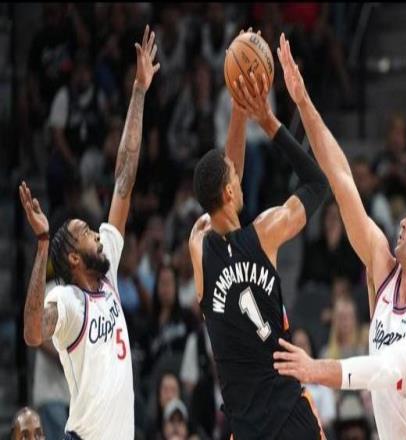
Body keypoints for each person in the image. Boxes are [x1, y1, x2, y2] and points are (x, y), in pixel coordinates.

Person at [273, 33, 406, 439]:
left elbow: (386, 369)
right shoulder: (382, 269)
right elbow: (342, 178)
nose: (403, 223)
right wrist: (303, 102)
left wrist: (315, 369)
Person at [19, 26, 159, 440]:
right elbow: (32, 333)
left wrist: (139, 91)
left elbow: (124, 178)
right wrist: (42, 244)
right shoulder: (68, 300)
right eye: (86, 232)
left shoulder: (109, 270)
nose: (98, 234)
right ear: (73, 257)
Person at [189, 55, 329, 438]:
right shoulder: (265, 233)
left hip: (246, 426)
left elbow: (226, 175)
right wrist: (267, 121)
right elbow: (317, 184)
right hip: (289, 413)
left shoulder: (198, 247)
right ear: (229, 191)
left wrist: (238, 110)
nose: (239, 178)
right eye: (235, 180)